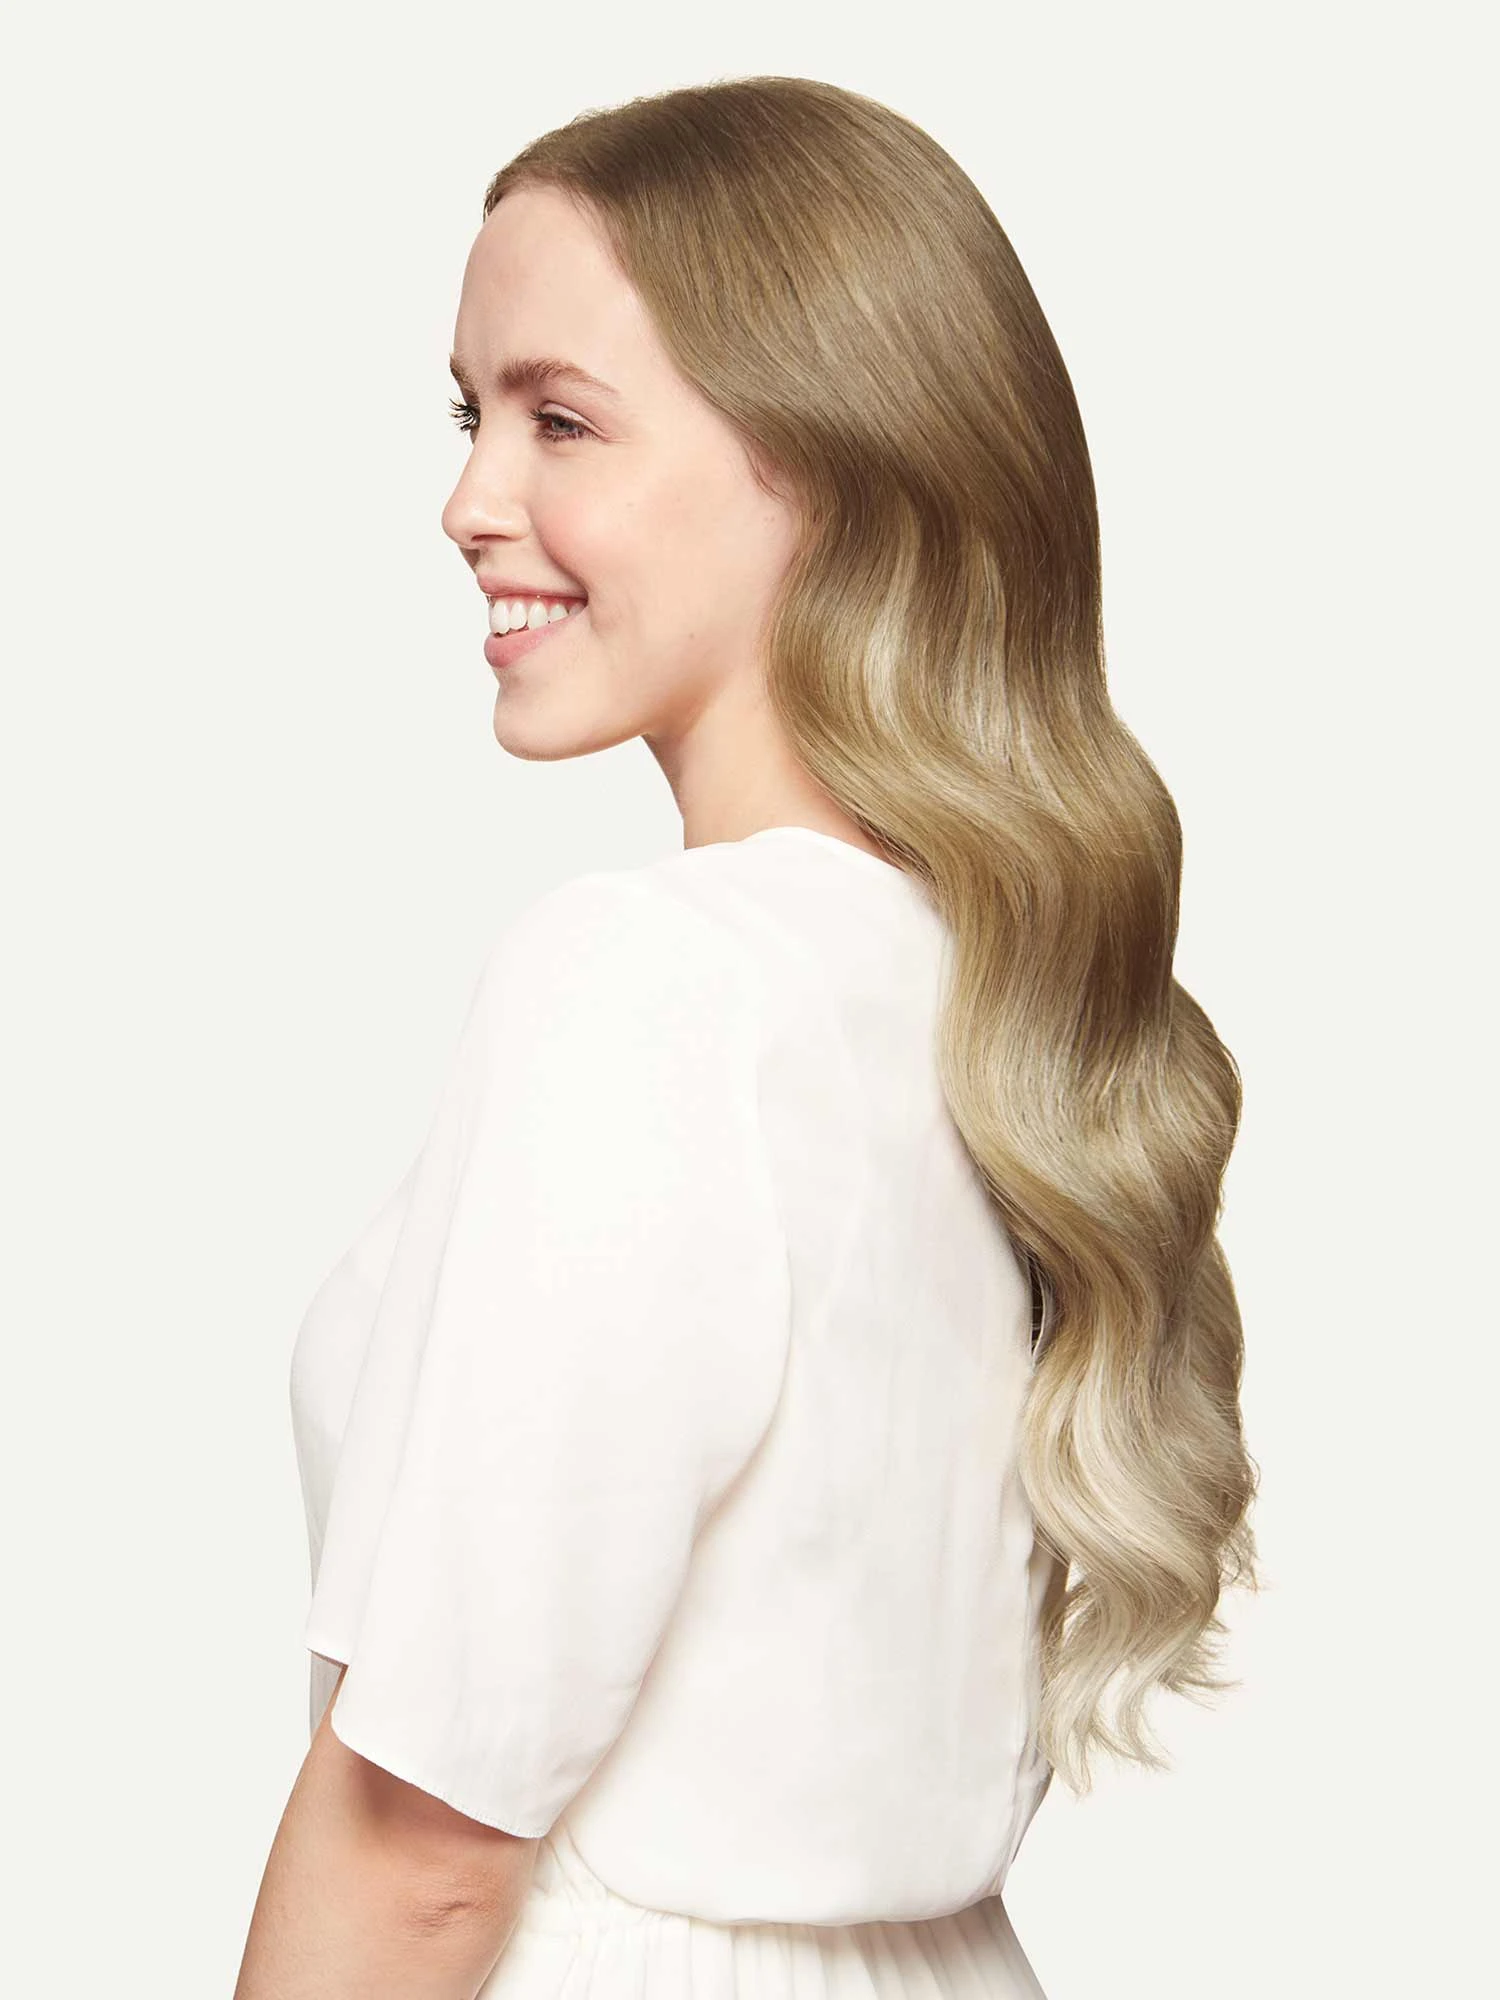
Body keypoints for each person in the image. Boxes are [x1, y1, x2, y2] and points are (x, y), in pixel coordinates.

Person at [234, 74, 1259, 2000]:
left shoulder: (651, 981)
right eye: (470, 417)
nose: (469, 503)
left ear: (834, 464)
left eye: (561, 420)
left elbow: (426, 1852)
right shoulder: (1002, 1003)